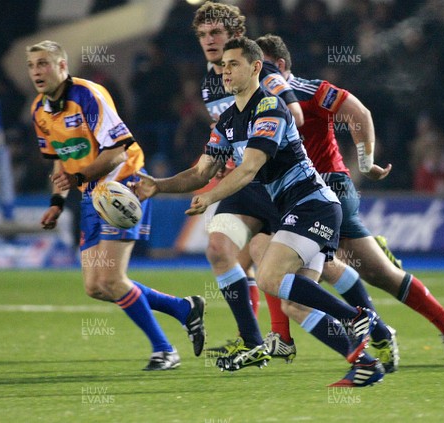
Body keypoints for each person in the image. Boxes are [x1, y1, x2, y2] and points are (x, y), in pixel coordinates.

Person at [136, 37, 384, 387]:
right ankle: (365, 362)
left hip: (314, 203)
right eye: (222, 65)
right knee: (292, 303)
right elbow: (199, 172)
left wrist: (210, 199)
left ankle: (357, 317)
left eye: (234, 64)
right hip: (295, 208)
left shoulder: (269, 108)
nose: (225, 71)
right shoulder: (226, 123)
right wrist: (157, 185)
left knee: (269, 276)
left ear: (255, 67)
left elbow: (249, 168)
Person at [255, 34, 444, 369]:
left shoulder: (304, 89)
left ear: (281, 66)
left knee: (296, 292)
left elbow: (357, 111)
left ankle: (366, 345)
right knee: (376, 273)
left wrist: (365, 160)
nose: (258, 73)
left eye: (264, 66)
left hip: (326, 189)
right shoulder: (261, 101)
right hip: (304, 197)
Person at [26, 40, 206, 371]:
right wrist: (56, 203)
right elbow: (59, 161)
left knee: (111, 278)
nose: (37, 71)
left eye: (44, 64)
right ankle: (184, 309)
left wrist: (79, 178)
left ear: (62, 67)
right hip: (91, 193)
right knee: (95, 286)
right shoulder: (40, 111)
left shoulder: (88, 95)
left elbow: (117, 153)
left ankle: (165, 350)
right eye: (32, 65)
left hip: (124, 186)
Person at [191, 0, 304, 360]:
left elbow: (295, 115)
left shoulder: (261, 70)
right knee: (224, 251)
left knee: (328, 270)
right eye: (203, 35)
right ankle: (256, 340)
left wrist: (250, 150)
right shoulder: (213, 79)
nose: (209, 41)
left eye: (217, 33)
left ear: (235, 34)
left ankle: (370, 330)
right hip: (246, 182)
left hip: (280, 180)